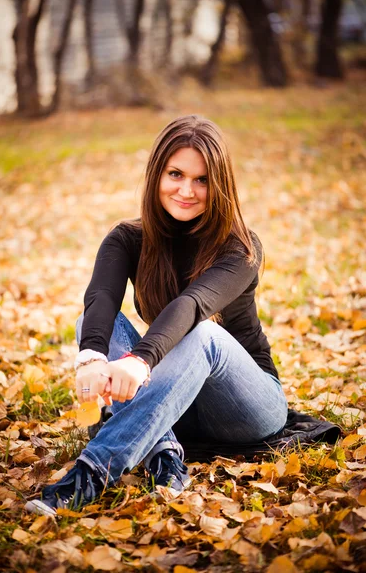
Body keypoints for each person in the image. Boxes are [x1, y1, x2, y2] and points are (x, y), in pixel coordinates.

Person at [26, 114, 288, 517]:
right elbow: (101, 297)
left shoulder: (240, 248)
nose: (187, 190)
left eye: (202, 180)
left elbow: (193, 304)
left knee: (205, 335)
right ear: (156, 175)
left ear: (220, 185)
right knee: (93, 329)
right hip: (173, 398)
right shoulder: (127, 239)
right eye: (176, 174)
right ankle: (164, 455)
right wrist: (93, 358)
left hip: (247, 406)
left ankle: (90, 475)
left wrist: (139, 359)